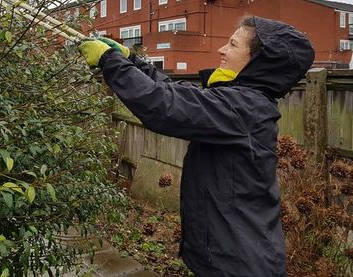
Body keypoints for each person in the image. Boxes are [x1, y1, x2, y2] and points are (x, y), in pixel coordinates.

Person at [78, 16, 315, 277]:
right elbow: (174, 92)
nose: (222, 50)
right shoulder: (238, 101)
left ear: (258, 62)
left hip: (240, 264)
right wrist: (130, 59)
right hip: (227, 257)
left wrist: (109, 61)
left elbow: (164, 106)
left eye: (233, 45)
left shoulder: (243, 108)